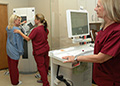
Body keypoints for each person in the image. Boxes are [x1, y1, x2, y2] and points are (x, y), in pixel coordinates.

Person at [62, 0, 120, 86]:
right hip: (101, 78)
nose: (95, 9)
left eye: (98, 6)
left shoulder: (117, 31)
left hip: (111, 80)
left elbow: (101, 58)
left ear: (108, 9)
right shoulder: (104, 27)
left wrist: (76, 58)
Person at [14, 13, 50, 86]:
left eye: (35, 19)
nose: (34, 20)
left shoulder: (36, 30)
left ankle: (46, 84)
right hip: (46, 49)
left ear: (37, 20)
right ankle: (43, 79)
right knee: (45, 65)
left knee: (41, 67)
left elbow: (28, 38)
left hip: (39, 51)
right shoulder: (45, 28)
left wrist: (19, 32)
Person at [6, 14, 24, 86]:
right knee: (15, 68)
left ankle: (12, 80)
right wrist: (21, 52)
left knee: (11, 67)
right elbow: (19, 43)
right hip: (15, 51)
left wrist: (21, 24)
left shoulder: (8, 28)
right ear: (14, 21)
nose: (20, 21)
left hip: (9, 49)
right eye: (18, 20)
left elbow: (14, 27)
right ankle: (15, 82)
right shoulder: (17, 30)